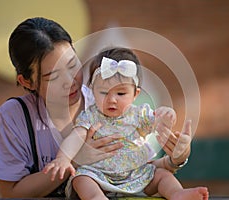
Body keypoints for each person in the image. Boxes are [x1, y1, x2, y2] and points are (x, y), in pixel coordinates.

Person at [0, 17, 196, 198]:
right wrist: (76, 161)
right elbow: (11, 193)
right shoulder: (12, 118)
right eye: (54, 77)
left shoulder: (105, 101)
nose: (71, 81)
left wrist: (177, 157)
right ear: (27, 82)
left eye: (72, 65)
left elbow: (140, 162)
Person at [43, 47, 209, 200]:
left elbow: (157, 119)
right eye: (103, 92)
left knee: (162, 176)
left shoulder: (138, 114)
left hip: (137, 174)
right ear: (92, 90)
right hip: (100, 175)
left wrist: (167, 114)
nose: (112, 100)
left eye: (121, 93)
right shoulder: (90, 116)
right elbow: (76, 137)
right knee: (81, 179)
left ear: (135, 94)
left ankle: (177, 194)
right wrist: (63, 159)